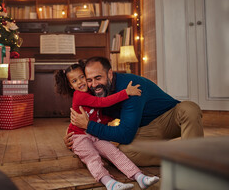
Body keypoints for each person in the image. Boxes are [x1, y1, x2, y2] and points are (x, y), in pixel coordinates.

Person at [65, 56, 204, 166]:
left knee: (189, 109)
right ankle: (180, 157)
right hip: (144, 129)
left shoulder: (131, 88)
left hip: (169, 119)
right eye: (89, 80)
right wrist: (72, 136)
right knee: (124, 152)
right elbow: (90, 116)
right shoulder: (94, 92)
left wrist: (89, 126)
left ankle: (195, 159)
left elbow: (124, 135)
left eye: (98, 78)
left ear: (110, 74)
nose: (93, 84)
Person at [55, 62, 159, 190]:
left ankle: (139, 177)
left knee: (114, 152)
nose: (80, 82)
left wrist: (119, 116)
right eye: (75, 81)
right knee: (92, 157)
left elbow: (100, 117)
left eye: (82, 77)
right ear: (71, 86)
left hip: (94, 135)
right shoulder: (79, 96)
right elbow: (102, 103)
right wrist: (125, 93)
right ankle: (109, 183)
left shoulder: (91, 92)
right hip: (79, 137)